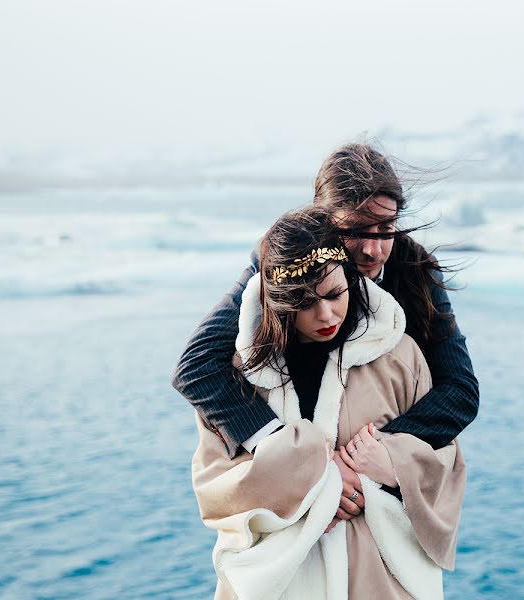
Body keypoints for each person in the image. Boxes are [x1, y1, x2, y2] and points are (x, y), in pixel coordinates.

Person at [173, 142, 479, 526]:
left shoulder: (415, 269)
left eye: (386, 229)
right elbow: (196, 365)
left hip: (376, 499)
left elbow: (462, 390)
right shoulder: (282, 258)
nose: (372, 249)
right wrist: (295, 460)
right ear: (323, 220)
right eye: (355, 230)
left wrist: (373, 457)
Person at [191, 208, 465, 598]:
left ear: (350, 279)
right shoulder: (242, 375)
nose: (325, 314)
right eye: (304, 303)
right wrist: (317, 483)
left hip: (378, 580)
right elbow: (215, 483)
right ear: (280, 303)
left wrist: (389, 465)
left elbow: (446, 462)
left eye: (336, 294)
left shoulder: (399, 357)